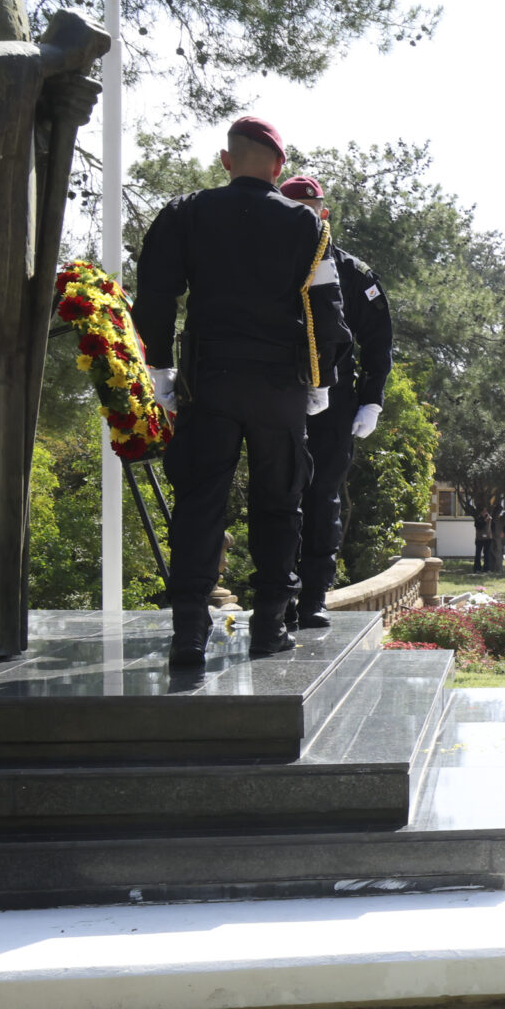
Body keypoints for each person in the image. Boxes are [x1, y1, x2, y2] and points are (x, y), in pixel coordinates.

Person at [136, 114, 348, 664]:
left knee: (200, 504)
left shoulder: (186, 213)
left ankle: (188, 634)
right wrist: (320, 381)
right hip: (280, 388)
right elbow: (327, 312)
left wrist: (159, 369)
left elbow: (155, 295)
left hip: (208, 383)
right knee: (279, 505)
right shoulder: (308, 226)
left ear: (226, 161)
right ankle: (271, 626)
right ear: (279, 169)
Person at [275, 174, 391, 631]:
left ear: (324, 212)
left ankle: (314, 595)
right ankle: (278, 595)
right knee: (279, 496)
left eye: (311, 208)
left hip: (335, 402)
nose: (305, 216)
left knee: (322, 497)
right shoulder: (264, 265)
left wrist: (372, 401)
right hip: (277, 396)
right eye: (294, 209)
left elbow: (378, 340)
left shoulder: (353, 272)